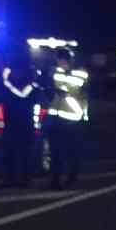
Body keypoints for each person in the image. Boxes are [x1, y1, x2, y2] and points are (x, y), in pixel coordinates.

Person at [43, 47, 90, 190]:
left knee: (70, 151)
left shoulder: (80, 73)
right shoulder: (55, 71)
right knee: (57, 151)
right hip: (57, 116)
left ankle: (71, 177)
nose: (60, 62)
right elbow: (47, 87)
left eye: (61, 60)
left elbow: (84, 93)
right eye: (58, 60)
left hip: (72, 118)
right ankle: (56, 180)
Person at [0, 51, 38, 187]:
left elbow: (22, 94)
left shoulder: (32, 84)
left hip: (24, 122)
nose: (15, 73)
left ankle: (25, 179)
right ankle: (11, 178)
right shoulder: (12, 83)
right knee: (10, 151)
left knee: (24, 152)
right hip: (11, 121)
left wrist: (6, 81)